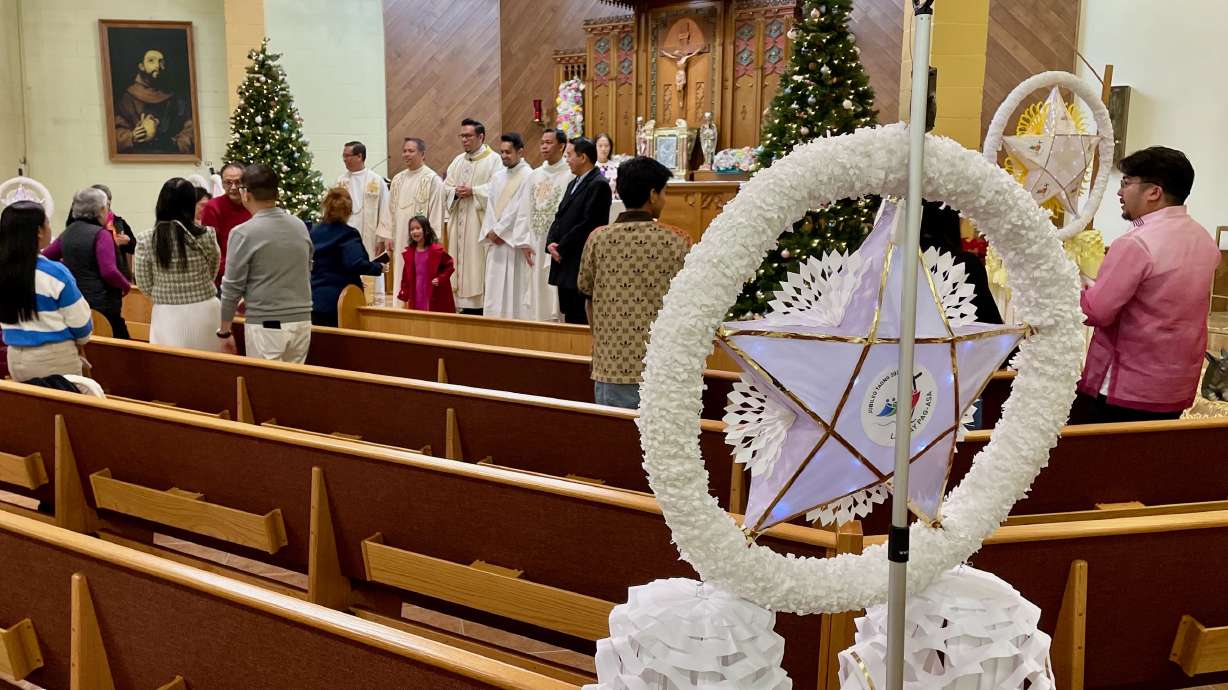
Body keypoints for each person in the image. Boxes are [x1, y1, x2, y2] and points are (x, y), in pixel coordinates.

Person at [1070, 146, 1221, 424]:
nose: (1119, 193)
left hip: (1125, 387)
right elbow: (1158, 300)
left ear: (1154, 192)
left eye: (1126, 183)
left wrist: (1065, 285)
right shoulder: (1204, 240)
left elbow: (1097, 312)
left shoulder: (1136, 243)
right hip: (1175, 387)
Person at [578, 156, 690, 409]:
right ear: (652, 195)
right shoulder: (677, 241)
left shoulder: (598, 239)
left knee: (613, 433)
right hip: (661, 367)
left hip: (611, 365)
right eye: (663, 192)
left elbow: (588, 297)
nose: (664, 199)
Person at [217, 164, 314, 363]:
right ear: (276, 193)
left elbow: (232, 286)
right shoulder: (299, 226)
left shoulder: (243, 232)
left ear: (245, 194)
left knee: (266, 382)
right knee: (292, 381)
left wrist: (225, 329)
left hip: (267, 323)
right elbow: (307, 268)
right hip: (302, 321)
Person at [0, 201, 93, 381]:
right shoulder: (55, 273)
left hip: (16, 357)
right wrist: (81, 341)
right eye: (48, 222)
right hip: (54, 358)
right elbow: (81, 324)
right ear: (39, 231)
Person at [133, 178, 223, 352]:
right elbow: (213, 267)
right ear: (191, 203)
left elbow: (144, 283)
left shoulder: (146, 239)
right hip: (206, 308)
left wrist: (166, 293)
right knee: (210, 362)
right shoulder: (207, 234)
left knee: (171, 364)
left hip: (167, 313)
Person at [44, 187, 131, 339]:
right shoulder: (101, 235)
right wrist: (125, 285)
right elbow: (109, 271)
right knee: (119, 346)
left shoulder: (67, 232)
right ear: (101, 210)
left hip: (75, 302)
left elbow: (46, 257)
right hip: (102, 306)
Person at [546, 137, 612, 324]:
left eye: (569, 155)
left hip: (579, 260)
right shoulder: (573, 183)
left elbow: (588, 224)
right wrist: (550, 242)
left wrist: (562, 247)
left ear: (583, 157)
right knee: (569, 313)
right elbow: (560, 216)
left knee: (579, 316)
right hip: (565, 260)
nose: (566, 160)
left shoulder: (598, 184)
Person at [512, 128, 571, 322]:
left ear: (561, 146)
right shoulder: (534, 175)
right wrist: (523, 241)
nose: (544, 147)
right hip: (536, 241)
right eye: (542, 143)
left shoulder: (569, 175)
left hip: (557, 244)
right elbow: (523, 209)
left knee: (555, 294)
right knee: (537, 290)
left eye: (549, 143)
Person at [444, 118, 500, 314]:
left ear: (481, 136)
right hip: (458, 222)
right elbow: (445, 187)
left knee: (476, 265)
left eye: (468, 136)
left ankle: (478, 307)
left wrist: (474, 191)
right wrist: (454, 192)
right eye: (462, 136)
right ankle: (460, 305)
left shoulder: (494, 160)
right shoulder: (458, 161)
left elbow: (498, 189)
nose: (464, 140)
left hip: (479, 224)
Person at [310, 187, 388, 327]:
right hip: (341, 301)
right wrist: (378, 267)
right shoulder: (348, 234)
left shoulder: (315, 232)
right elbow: (355, 263)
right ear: (348, 211)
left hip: (316, 298)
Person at [387, 137, 447, 307]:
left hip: (422, 243)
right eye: (404, 151)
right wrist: (388, 236)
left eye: (411, 151)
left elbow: (436, 212)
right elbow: (390, 210)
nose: (406, 154)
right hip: (400, 238)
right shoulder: (397, 179)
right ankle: (399, 309)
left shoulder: (432, 180)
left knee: (419, 279)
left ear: (422, 154)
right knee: (401, 274)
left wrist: (431, 241)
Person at [480, 133, 533, 318]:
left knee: (514, 290)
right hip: (496, 242)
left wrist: (500, 231)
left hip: (512, 242)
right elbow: (490, 207)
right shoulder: (497, 177)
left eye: (508, 152)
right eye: (501, 152)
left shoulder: (529, 176)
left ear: (520, 152)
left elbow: (520, 209)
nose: (503, 156)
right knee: (494, 289)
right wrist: (490, 231)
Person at [114, 48, 195, 154]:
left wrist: (174, 143)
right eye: (151, 61)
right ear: (141, 66)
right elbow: (115, 131)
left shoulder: (175, 99)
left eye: (161, 62)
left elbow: (190, 128)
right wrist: (132, 136)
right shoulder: (127, 98)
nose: (157, 65)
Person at [199, 162, 252, 286]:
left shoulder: (253, 204)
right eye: (228, 182)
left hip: (254, 273)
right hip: (225, 277)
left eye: (238, 182)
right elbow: (210, 248)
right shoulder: (213, 207)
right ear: (222, 183)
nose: (233, 187)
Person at [336, 140, 391, 258]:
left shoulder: (376, 181)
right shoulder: (341, 181)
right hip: (345, 236)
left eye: (347, 155)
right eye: (343, 156)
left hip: (369, 238)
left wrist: (381, 239)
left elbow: (385, 210)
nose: (344, 159)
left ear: (359, 156)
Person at [397, 215, 456, 313]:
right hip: (417, 293)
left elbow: (449, 266)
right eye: (412, 229)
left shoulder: (437, 251)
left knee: (433, 317)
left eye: (418, 228)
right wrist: (404, 293)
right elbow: (406, 277)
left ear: (426, 229)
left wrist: (440, 278)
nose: (414, 231)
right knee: (418, 316)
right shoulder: (410, 253)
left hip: (433, 293)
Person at [91, 184, 136, 279]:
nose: (107, 206)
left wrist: (128, 241)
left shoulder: (119, 222)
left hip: (119, 272)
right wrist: (114, 243)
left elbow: (134, 247)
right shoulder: (88, 224)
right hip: (96, 274)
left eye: (108, 203)